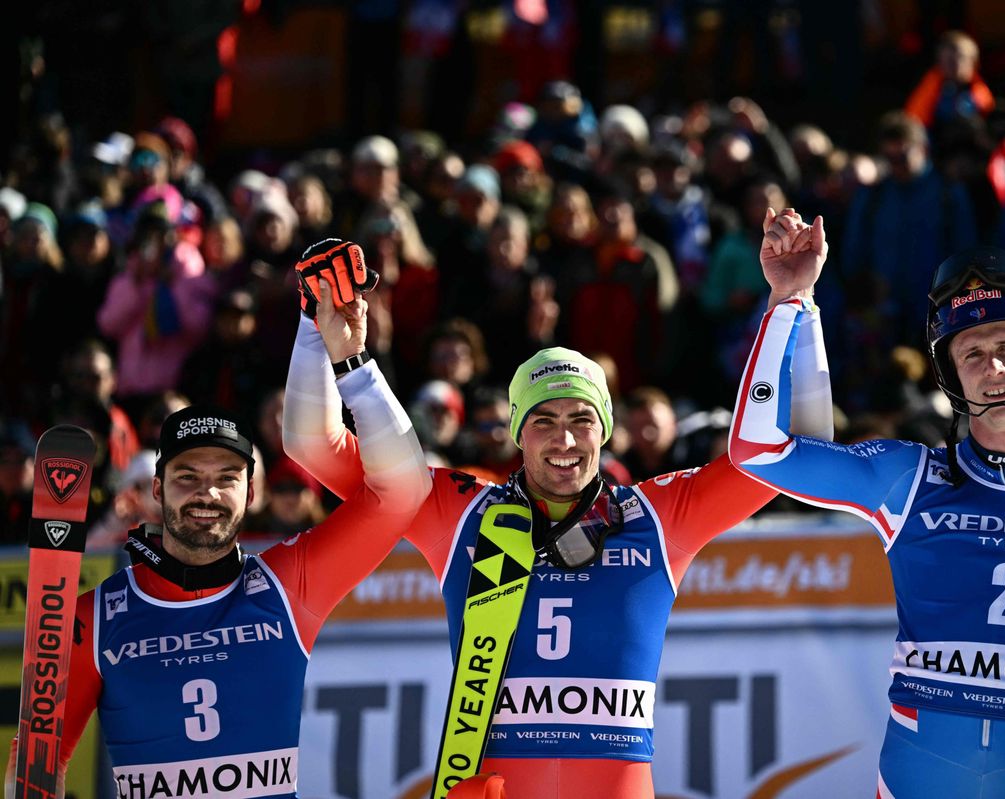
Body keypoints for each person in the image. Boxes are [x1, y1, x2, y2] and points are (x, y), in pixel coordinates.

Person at [283, 251, 834, 799]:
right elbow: (315, 447)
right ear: (517, 433)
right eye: (543, 420)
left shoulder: (659, 517)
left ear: (606, 431)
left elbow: (803, 456)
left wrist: (795, 303)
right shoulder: (460, 514)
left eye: (581, 420)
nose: (564, 441)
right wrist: (318, 330)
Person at [728, 213, 1005, 797]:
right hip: (917, 776)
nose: (993, 368)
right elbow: (757, 450)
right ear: (951, 376)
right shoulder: (909, 478)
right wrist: (790, 299)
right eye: (971, 354)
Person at [4, 276, 431, 798]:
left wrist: (349, 361)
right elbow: (34, 773)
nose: (206, 494)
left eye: (227, 478)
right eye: (187, 477)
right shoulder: (91, 618)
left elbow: (402, 492)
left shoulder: (288, 584)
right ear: (157, 489)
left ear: (250, 493)